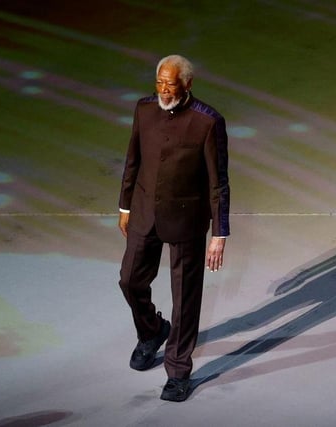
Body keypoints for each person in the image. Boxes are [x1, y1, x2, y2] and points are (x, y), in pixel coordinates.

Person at [117, 54, 230, 402]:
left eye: (171, 84)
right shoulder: (144, 109)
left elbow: (218, 182)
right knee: (130, 279)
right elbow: (133, 159)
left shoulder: (207, 122)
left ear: (188, 84)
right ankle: (152, 330)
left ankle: (178, 370)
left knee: (185, 298)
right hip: (143, 211)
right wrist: (124, 205)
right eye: (160, 83)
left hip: (186, 220)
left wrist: (219, 233)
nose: (164, 90)